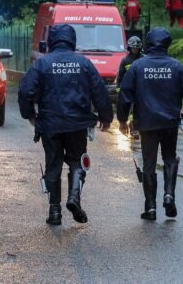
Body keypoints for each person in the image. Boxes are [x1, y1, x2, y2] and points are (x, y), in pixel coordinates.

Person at [18, 24, 113, 225]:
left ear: (52, 40)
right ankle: (74, 197)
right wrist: (106, 116)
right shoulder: (84, 63)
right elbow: (99, 90)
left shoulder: (42, 64)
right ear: (72, 40)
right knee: (77, 161)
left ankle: (54, 211)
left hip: (49, 125)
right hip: (77, 124)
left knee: (53, 164)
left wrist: (30, 115)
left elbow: (25, 90)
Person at [117, 28, 183, 220]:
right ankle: (169, 195)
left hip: (147, 123)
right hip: (169, 123)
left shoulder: (138, 67)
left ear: (148, 44)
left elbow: (125, 95)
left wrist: (122, 120)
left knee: (149, 163)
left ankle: (150, 207)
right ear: (167, 44)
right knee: (169, 158)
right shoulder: (176, 67)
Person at [116, 36, 145, 138]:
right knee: (129, 109)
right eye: (133, 47)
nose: (135, 49)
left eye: (137, 48)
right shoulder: (125, 60)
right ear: (129, 48)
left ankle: (136, 127)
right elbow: (120, 76)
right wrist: (119, 89)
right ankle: (131, 126)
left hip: (142, 90)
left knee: (139, 109)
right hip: (129, 90)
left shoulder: (144, 59)